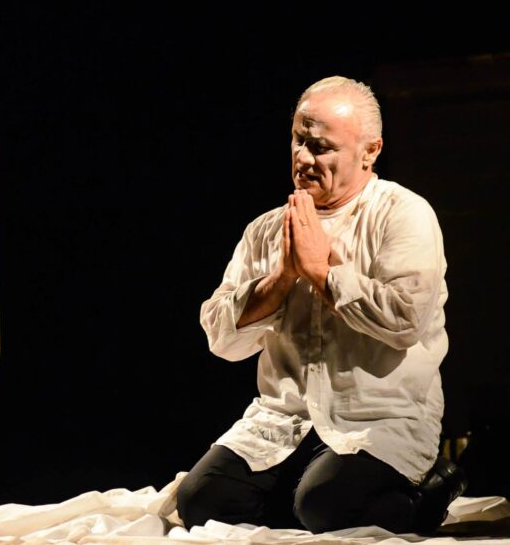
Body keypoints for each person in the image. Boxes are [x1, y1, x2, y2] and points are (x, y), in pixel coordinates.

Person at [176, 76, 466, 534]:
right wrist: (281, 278)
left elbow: (404, 320)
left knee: (326, 508)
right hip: (285, 420)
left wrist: (321, 272)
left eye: (323, 147)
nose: (304, 158)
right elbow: (222, 339)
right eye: (299, 140)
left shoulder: (404, 214)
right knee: (200, 502)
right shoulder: (266, 229)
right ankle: (302, 499)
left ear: (369, 151)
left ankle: (429, 492)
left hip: (377, 419)